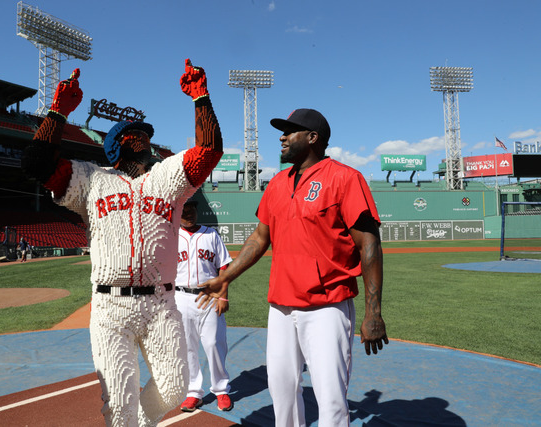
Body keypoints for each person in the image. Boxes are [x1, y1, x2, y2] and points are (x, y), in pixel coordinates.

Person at [21, 59, 224, 427]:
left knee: (175, 388)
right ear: (117, 146)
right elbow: (35, 163)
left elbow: (209, 150)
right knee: (119, 401)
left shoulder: (167, 177)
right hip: (110, 308)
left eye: (145, 133)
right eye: (135, 134)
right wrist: (57, 111)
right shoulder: (90, 178)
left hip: (162, 303)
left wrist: (200, 96)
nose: (144, 136)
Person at [197, 108, 388, 427]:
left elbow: (369, 244)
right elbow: (259, 238)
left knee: (330, 401)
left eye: (291, 131)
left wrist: (373, 313)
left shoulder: (345, 177)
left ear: (313, 138)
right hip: (281, 309)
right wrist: (226, 275)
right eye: (282, 131)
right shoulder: (277, 184)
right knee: (282, 394)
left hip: (327, 307)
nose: (282, 137)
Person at [174, 199, 233, 412]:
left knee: (214, 344)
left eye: (192, 210)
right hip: (180, 297)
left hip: (209, 296)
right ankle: (193, 392)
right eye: (184, 211)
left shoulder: (211, 234)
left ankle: (221, 389)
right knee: (187, 347)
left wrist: (223, 296)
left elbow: (224, 266)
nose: (189, 214)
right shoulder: (172, 236)